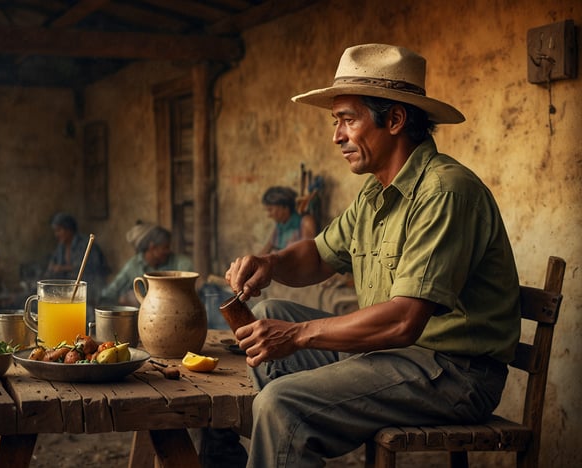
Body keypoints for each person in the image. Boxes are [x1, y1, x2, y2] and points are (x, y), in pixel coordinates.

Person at [223, 44, 521, 467]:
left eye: (347, 120)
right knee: (269, 308)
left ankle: (285, 435)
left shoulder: (445, 192)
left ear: (395, 120)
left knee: (281, 403)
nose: (336, 136)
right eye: (335, 121)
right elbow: (319, 256)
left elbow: (403, 320)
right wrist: (269, 263)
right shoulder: (376, 194)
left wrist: (298, 335)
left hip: (452, 375)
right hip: (392, 357)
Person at [100, 221, 193, 306]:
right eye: (165, 247)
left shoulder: (180, 262)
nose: (168, 251)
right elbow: (110, 293)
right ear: (152, 247)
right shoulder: (133, 266)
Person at [44, 212, 109, 321]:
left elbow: (91, 268)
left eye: (59, 230)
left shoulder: (85, 244)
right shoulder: (61, 246)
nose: (56, 234)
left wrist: (62, 268)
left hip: (89, 284)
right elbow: (53, 265)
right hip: (70, 286)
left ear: (69, 229)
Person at [259, 186, 317, 254]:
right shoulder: (280, 225)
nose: (269, 215)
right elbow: (266, 250)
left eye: (270, 210)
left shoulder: (305, 222)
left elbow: (307, 255)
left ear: (284, 207)